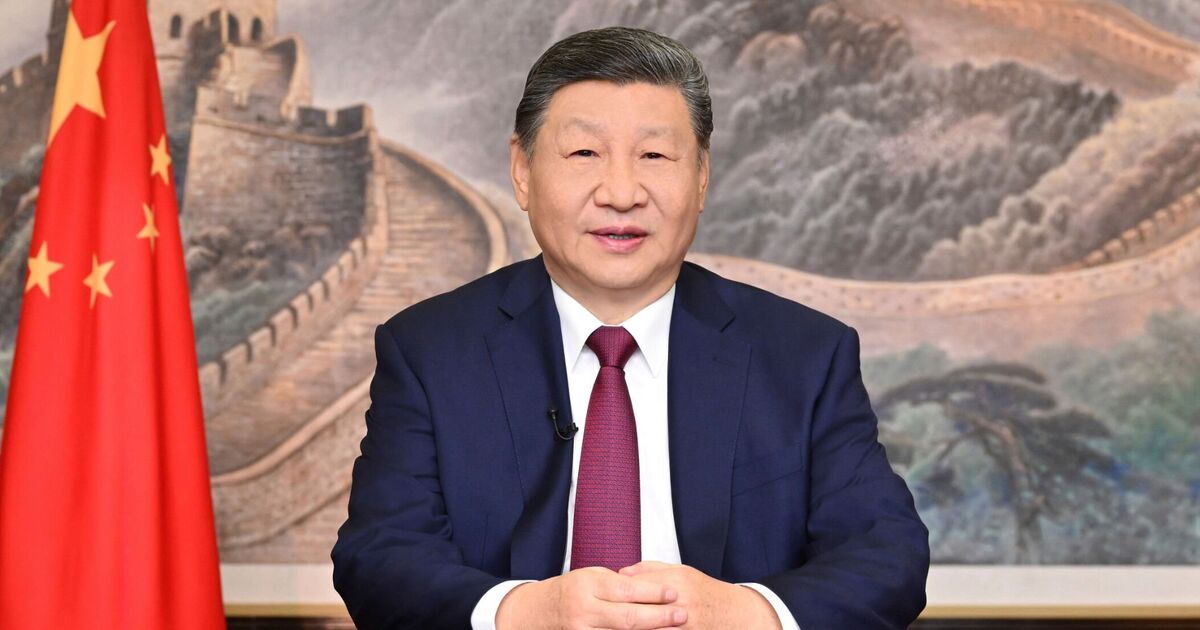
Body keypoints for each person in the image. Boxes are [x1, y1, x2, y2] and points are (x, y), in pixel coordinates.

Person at [332, 26, 929, 629]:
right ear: (522, 170)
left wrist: (740, 613)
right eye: (584, 154)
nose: (621, 194)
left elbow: (886, 556)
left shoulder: (805, 355)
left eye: (655, 156)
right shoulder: (430, 351)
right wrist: (525, 613)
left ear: (701, 176)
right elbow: (380, 556)